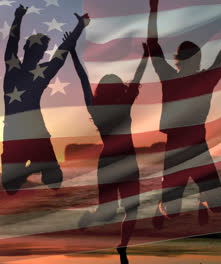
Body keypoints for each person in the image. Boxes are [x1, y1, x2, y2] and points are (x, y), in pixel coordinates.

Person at [147, 0, 221, 228]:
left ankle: (202, 201)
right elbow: (153, 44)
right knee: (172, 213)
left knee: (216, 205)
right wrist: (153, 9)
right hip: (175, 150)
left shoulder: (204, 80)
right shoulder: (170, 78)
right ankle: (163, 206)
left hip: (198, 146)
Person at [69, 31, 149, 264]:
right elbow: (136, 79)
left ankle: (96, 221)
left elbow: (83, 80)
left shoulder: (96, 109)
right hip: (126, 161)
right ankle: (122, 246)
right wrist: (145, 56)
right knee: (131, 209)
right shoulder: (124, 104)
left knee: (107, 213)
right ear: (119, 89)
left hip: (107, 162)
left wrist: (74, 53)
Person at [1, 4, 89, 194]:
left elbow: (60, 54)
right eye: (39, 50)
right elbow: (13, 44)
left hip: (30, 134)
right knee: (11, 187)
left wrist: (79, 28)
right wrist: (18, 17)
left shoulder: (32, 71)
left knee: (53, 181)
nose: (39, 54)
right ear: (28, 49)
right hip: (19, 135)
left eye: (40, 51)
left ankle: (33, 167)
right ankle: (33, 167)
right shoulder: (15, 68)